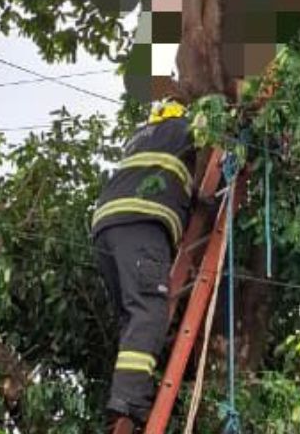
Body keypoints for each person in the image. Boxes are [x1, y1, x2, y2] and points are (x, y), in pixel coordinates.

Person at [92, 98, 204, 431]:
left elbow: (172, 179)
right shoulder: (184, 128)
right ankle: (127, 402)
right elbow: (222, 130)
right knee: (148, 312)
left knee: (131, 317)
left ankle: (122, 400)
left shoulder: (140, 136)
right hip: (143, 224)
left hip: (106, 227)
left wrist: (199, 201)